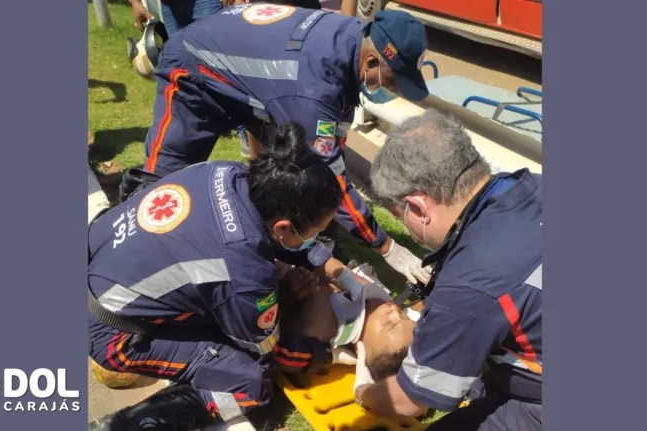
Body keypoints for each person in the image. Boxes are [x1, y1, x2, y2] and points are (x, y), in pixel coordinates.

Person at [88, 122, 361, 431]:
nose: (320, 237)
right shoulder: (246, 271)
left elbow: (268, 242)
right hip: (114, 332)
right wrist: (326, 354)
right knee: (247, 382)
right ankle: (128, 425)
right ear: (284, 227)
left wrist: (335, 270)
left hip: (101, 269)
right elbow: (271, 353)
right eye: (317, 231)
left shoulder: (228, 174)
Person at [141, 4, 433, 285]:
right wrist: (385, 245)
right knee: (164, 186)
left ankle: (303, 247)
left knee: (293, 182)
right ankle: (142, 260)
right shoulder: (313, 91)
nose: (392, 91)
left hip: (253, 75)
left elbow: (330, 150)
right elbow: (328, 175)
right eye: (393, 82)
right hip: (192, 67)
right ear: (370, 62)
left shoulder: (354, 38)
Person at [353, 110, 543, 431]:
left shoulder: (471, 282)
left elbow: (410, 401)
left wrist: (364, 393)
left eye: (401, 217)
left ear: (417, 207)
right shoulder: (531, 185)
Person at [277, 264, 416, 378]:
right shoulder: (369, 303)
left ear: (360, 349)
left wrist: (287, 292)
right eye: (403, 315)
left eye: (389, 324)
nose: (395, 309)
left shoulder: (319, 328)